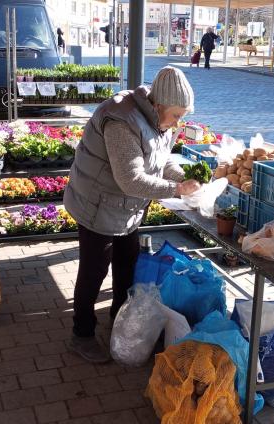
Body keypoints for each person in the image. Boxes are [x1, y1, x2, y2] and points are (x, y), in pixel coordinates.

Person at [63, 67, 200, 362]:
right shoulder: (121, 120)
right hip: (97, 203)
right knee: (94, 270)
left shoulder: (160, 122)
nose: (179, 122)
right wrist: (177, 190)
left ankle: (119, 321)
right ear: (158, 105)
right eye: (176, 115)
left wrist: (186, 178)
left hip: (125, 207)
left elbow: (160, 163)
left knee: (127, 263)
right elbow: (131, 179)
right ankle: (82, 334)